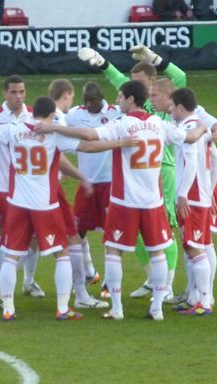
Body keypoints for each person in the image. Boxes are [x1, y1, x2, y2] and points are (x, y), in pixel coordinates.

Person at [0, 96, 137, 320]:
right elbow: (87, 146)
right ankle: (62, 308)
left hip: (17, 203)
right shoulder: (54, 134)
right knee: (61, 253)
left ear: (33, 112)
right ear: (52, 115)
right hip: (45, 204)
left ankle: (8, 310)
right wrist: (119, 143)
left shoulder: (13, 129)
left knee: (12, 257)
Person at [38, 81, 205, 321]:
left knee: (114, 251)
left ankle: (116, 308)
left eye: (120, 97)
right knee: (157, 252)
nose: (116, 101)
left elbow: (88, 135)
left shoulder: (123, 125)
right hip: (152, 201)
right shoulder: (159, 124)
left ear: (130, 99)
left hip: (124, 201)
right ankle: (157, 308)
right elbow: (189, 137)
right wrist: (201, 126)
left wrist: (53, 128)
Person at [78, 44, 186, 303]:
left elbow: (180, 79)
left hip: (163, 172)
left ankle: (167, 285)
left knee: (165, 231)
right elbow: (119, 81)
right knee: (137, 232)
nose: (133, 85)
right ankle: (152, 280)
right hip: (135, 174)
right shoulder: (138, 104)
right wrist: (103, 64)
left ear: (153, 80)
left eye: (139, 82)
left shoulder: (162, 104)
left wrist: (157, 59)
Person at [0, 75, 42, 304]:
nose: (18, 97)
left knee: (32, 235)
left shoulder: (34, 115)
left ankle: (28, 280)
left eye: (22, 92)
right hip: (2, 186)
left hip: (27, 186)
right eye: (14, 92)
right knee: (2, 233)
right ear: (5, 93)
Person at [47, 79, 108, 310]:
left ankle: (0, 288)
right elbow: (79, 148)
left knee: (21, 245)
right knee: (71, 237)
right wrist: (118, 142)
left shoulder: (36, 119)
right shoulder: (59, 119)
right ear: (68, 94)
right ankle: (80, 295)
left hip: (25, 190)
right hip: (50, 189)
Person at [65, 82, 123, 294]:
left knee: (110, 233)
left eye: (93, 101)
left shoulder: (115, 113)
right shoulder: (73, 115)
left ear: (101, 98)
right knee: (76, 230)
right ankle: (89, 272)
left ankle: (109, 281)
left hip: (110, 182)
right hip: (87, 182)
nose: (88, 105)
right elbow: (61, 129)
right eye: (85, 101)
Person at [168, 87, 215, 315]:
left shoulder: (189, 129)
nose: (169, 110)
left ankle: (204, 304)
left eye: (171, 106)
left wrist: (183, 194)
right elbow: (215, 160)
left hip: (193, 199)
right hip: (202, 196)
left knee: (195, 249)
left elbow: (192, 163)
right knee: (199, 247)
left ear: (179, 106)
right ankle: (198, 299)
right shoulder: (201, 127)